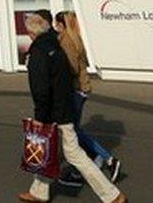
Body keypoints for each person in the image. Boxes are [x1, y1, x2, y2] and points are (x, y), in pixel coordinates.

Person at [17, 13, 127, 203]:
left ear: (30, 33)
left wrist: (40, 117)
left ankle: (112, 195)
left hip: (54, 111)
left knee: (72, 153)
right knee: (50, 150)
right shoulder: (55, 45)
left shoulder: (39, 52)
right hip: (63, 105)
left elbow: (41, 89)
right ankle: (38, 192)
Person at [54, 10, 121, 185]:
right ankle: (98, 158)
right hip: (82, 88)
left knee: (73, 131)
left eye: (56, 23)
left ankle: (107, 159)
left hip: (75, 89)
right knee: (74, 130)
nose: (54, 27)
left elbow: (72, 68)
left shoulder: (66, 41)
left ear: (61, 24)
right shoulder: (75, 37)